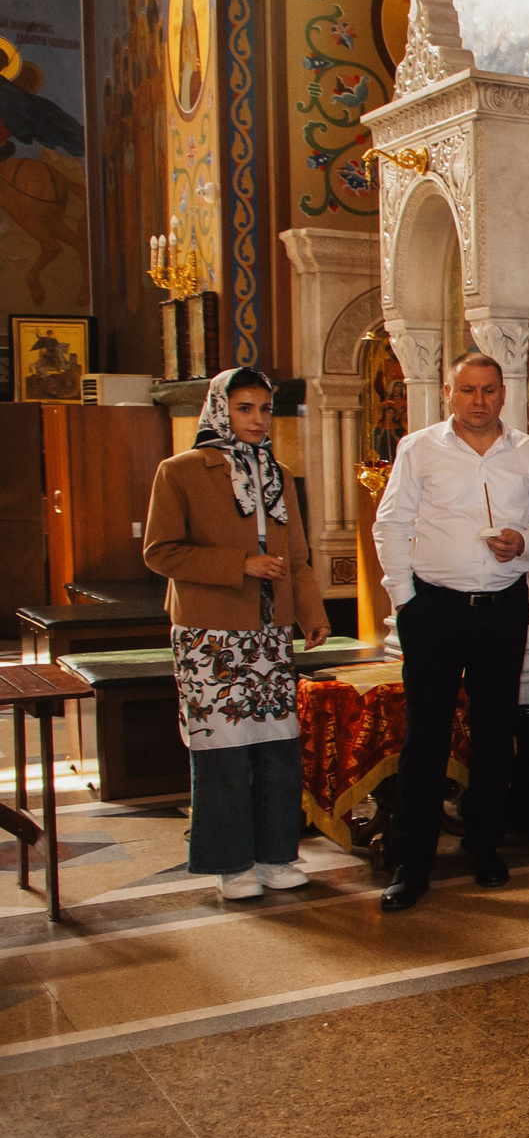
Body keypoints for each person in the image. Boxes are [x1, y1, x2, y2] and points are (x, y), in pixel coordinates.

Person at [372, 351, 529, 913]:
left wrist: (525, 541)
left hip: (502, 609)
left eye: (488, 390)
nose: (478, 401)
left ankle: (484, 846)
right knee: (426, 737)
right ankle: (412, 862)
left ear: (503, 393)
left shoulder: (528, 452)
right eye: (467, 390)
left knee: (494, 732)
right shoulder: (419, 449)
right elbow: (391, 523)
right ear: (448, 393)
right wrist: (405, 601)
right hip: (433, 609)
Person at [143, 368, 333, 900]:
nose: (257, 419)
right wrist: (240, 564)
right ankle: (232, 866)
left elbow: (297, 557)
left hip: (270, 634)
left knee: (277, 746)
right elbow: (160, 552)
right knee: (223, 750)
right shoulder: (179, 470)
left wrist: (311, 614)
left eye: (264, 409)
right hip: (209, 635)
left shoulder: (278, 473)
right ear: (220, 410)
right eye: (244, 408)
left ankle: (276, 857)